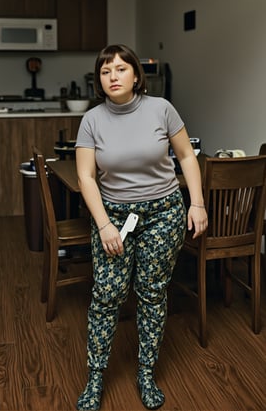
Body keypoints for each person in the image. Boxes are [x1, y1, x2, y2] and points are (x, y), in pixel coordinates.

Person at [75, 44, 208, 411]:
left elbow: (186, 156)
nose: (113, 76)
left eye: (120, 69)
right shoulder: (92, 119)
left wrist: (196, 203)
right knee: (107, 294)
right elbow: (86, 177)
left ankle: (146, 372)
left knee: (152, 293)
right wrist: (103, 224)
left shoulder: (161, 108)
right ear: (98, 80)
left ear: (136, 75)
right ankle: (96, 375)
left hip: (164, 213)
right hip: (114, 216)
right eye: (105, 71)